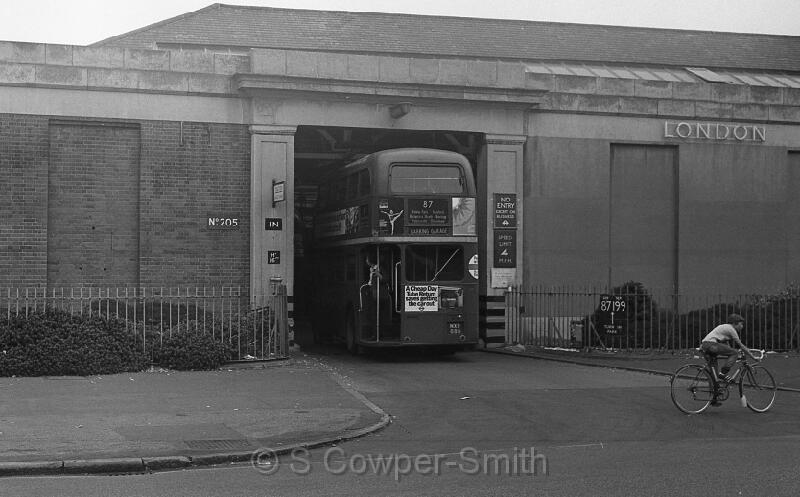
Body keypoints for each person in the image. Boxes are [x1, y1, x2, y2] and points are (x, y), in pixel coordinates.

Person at [700, 313, 758, 383]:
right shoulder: (731, 329)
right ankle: (723, 373)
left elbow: (727, 347)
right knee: (735, 352)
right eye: (741, 324)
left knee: (714, 377)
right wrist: (753, 357)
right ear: (735, 323)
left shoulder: (725, 328)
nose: (742, 326)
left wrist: (732, 355)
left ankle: (716, 391)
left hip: (705, 346)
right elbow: (741, 345)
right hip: (711, 345)